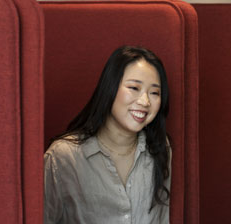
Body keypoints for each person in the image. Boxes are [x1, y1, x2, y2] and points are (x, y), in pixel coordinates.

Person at [44, 46, 172, 224]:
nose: (145, 101)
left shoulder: (159, 147)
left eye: (154, 93)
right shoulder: (63, 156)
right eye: (134, 88)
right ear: (110, 87)